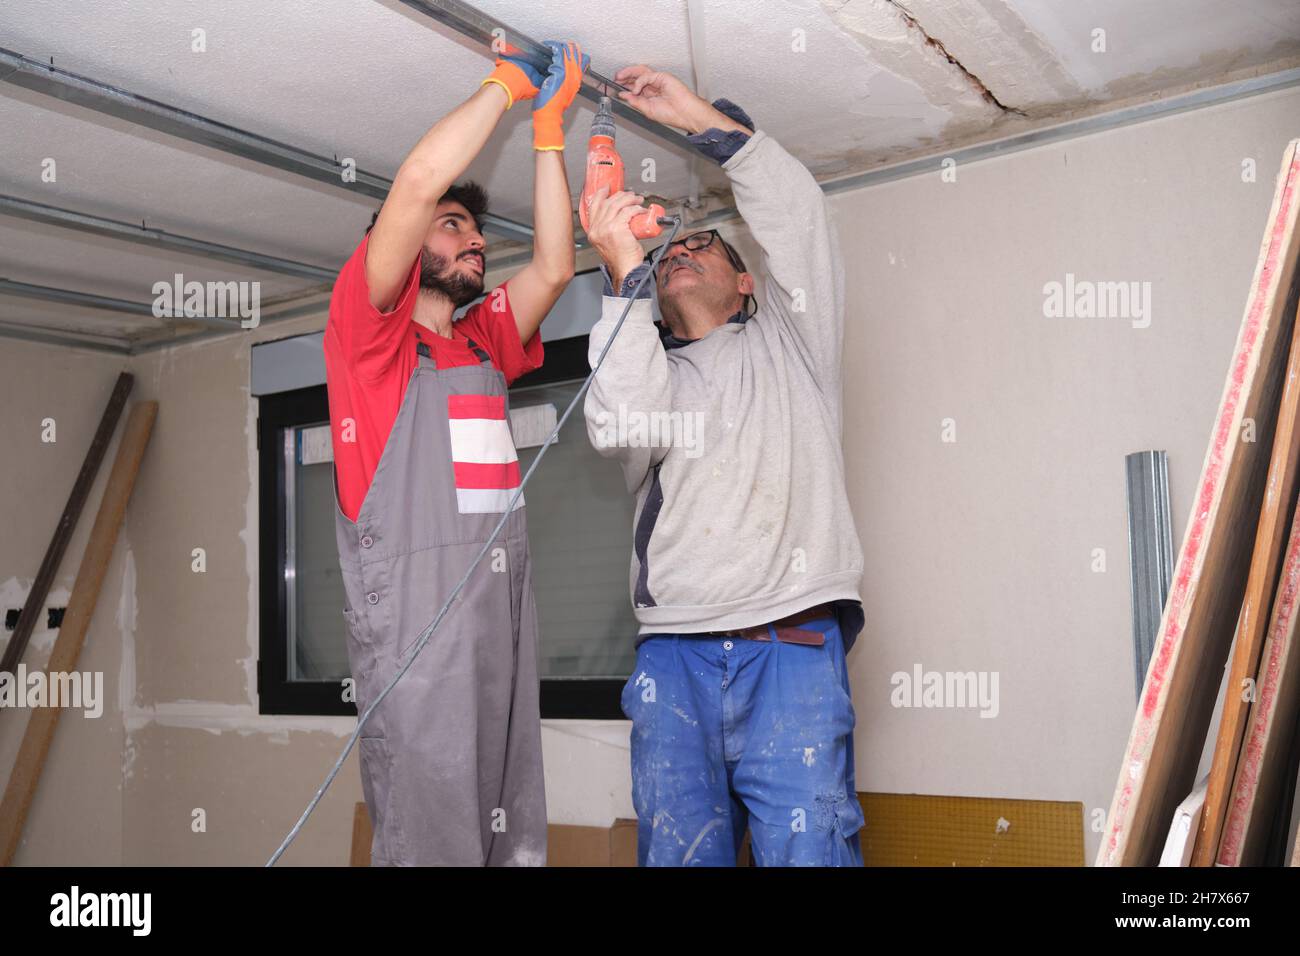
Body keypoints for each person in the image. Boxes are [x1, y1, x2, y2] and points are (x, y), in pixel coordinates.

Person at [583, 65, 867, 866]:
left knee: (812, 851)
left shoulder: (794, 346)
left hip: (793, 645)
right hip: (673, 658)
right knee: (678, 855)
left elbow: (799, 215)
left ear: (746, 283)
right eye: (666, 251)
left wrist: (697, 117)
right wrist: (620, 269)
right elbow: (618, 421)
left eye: (701, 242)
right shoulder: (651, 374)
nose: (679, 253)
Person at [323, 41, 588, 866]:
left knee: (509, 823)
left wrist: (549, 134)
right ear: (401, 254)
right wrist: (506, 86)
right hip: (416, 627)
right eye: (454, 226)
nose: (475, 241)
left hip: (498, 612)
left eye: (475, 228)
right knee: (435, 832)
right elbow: (411, 185)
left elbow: (554, 264)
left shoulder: (477, 343)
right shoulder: (371, 341)